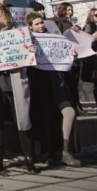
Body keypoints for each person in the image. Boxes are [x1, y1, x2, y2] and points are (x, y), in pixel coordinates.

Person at [0, 2, 39, 173]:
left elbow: (28, 55)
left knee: (23, 120)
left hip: (15, 82)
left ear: (5, 15)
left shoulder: (18, 33)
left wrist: (31, 50)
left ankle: (29, 158)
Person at [27, 12, 81, 167]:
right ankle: (50, 153)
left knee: (69, 111)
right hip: (40, 84)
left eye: (42, 23)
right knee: (47, 118)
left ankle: (65, 150)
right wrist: (29, 52)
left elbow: (64, 61)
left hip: (57, 82)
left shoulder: (55, 38)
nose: (41, 26)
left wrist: (72, 56)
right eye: (37, 24)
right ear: (30, 26)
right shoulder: (29, 41)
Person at [52, 2, 87, 115]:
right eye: (67, 10)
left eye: (71, 10)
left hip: (75, 58)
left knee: (75, 84)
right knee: (69, 84)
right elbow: (59, 37)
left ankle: (77, 105)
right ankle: (73, 107)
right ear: (62, 10)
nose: (70, 12)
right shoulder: (58, 22)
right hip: (66, 59)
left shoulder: (70, 23)